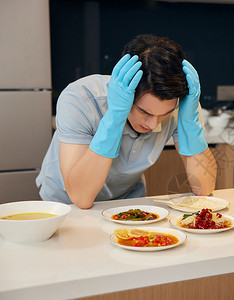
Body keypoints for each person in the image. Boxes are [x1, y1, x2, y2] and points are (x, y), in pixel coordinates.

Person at [36, 34, 217, 209]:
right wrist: (115, 116)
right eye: (144, 111)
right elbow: (81, 199)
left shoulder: (181, 107)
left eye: (164, 115)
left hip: (126, 202)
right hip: (66, 202)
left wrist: (190, 124)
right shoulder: (80, 99)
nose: (153, 125)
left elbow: (204, 189)